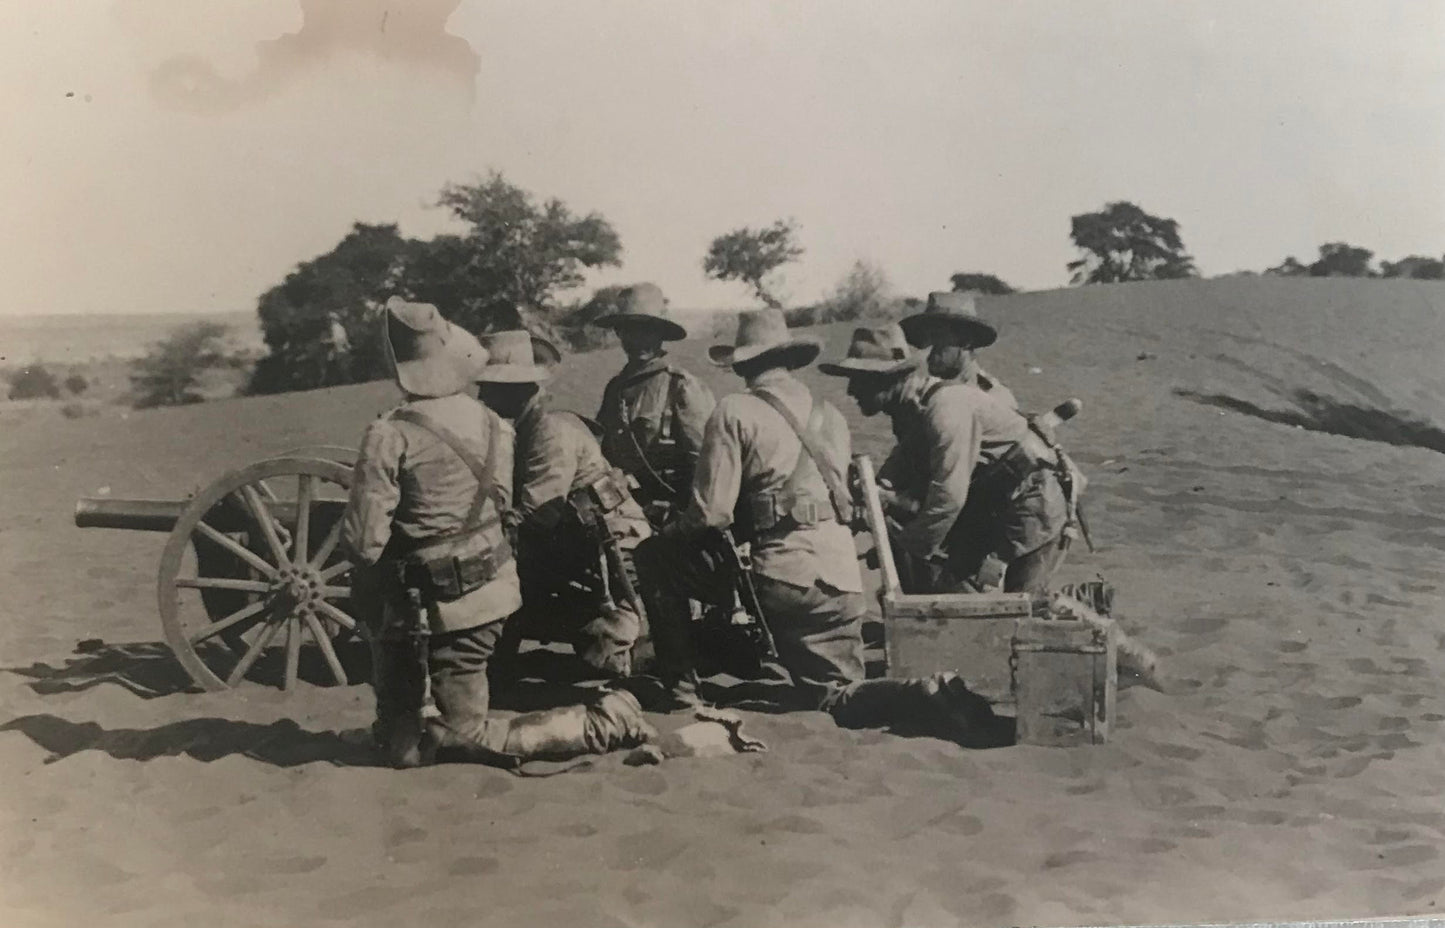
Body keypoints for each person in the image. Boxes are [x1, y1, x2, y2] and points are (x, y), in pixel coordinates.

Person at [632, 308, 998, 745]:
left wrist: (670, 535)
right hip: (843, 585)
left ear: (743, 364)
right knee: (836, 696)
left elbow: (712, 514)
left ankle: (680, 689)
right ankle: (919, 692)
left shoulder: (734, 411)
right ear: (789, 358)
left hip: (783, 579)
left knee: (652, 558)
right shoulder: (829, 415)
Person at [341, 299, 651, 769]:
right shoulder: (494, 426)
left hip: (436, 607)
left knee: (464, 735)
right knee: (402, 746)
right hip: (493, 596)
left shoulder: (388, 433)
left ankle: (602, 722)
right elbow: (504, 505)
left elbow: (364, 544)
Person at [819, 323, 1077, 598]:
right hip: (992, 510)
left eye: (859, 379)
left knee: (1021, 613)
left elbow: (948, 498)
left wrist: (908, 547)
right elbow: (897, 471)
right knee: (953, 597)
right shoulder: (913, 415)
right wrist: (876, 495)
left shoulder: (945, 411)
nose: (851, 391)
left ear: (889, 378)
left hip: (1035, 513)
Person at [473, 330, 652, 678]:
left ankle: (499, 655)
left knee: (507, 572)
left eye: (489, 387)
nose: (481, 395)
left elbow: (540, 513)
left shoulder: (549, 432)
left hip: (614, 547)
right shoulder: (533, 428)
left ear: (515, 389)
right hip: (585, 539)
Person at [592, 282, 716, 528]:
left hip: (675, 518)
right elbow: (604, 454)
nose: (638, 339)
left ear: (661, 334)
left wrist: (684, 515)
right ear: (619, 333)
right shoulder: (615, 388)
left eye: (647, 330)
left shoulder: (681, 386)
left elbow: (708, 464)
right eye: (630, 330)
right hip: (626, 515)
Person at [902, 291, 1017, 409]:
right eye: (927, 341)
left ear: (966, 342)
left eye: (938, 340)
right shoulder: (915, 391)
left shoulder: (995, 398)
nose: (930, 352)